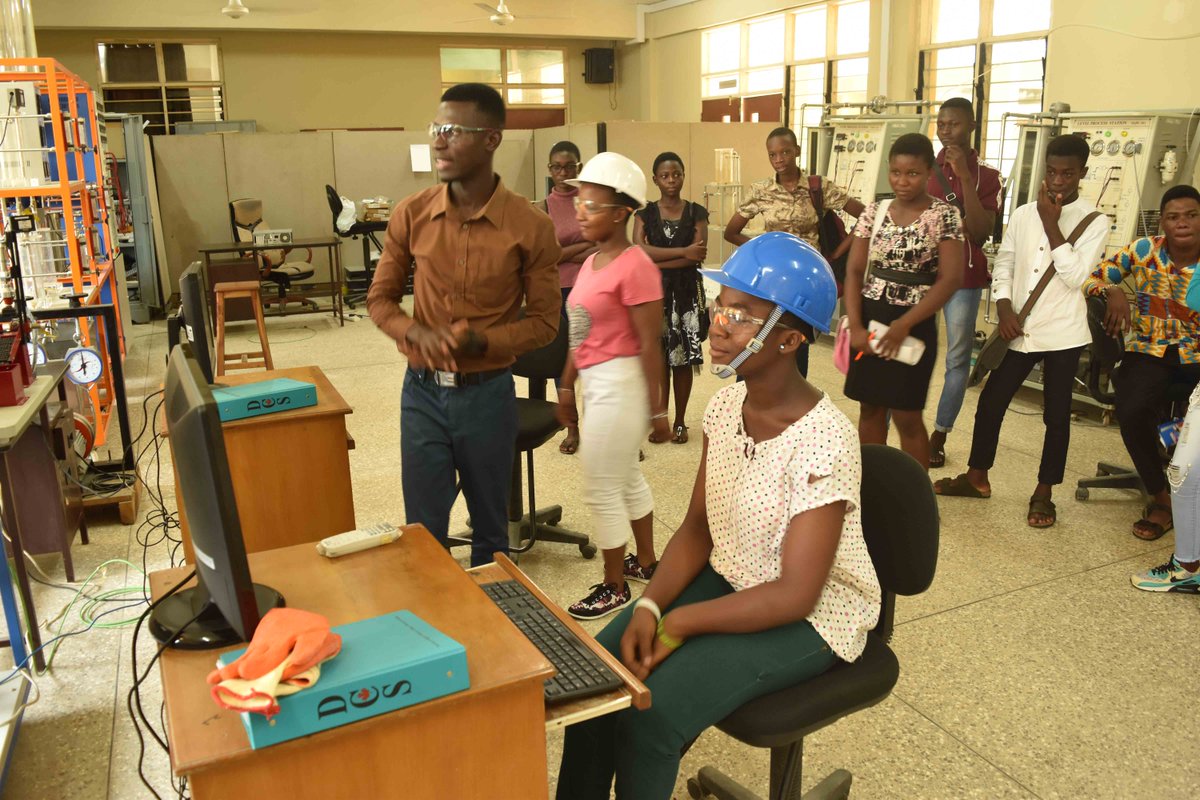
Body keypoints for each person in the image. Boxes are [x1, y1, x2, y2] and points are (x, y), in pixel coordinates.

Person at [554, 232, 881, 800]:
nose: (718, 325)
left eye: (741, 314)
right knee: (594, 682)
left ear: (789, 340)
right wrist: (650, 604)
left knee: (650, 717)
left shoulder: (825, 441)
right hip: (732, 573)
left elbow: (796, 594)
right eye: (720, 306)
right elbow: (697, 529)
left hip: (811, 613)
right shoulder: (727, 405)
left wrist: (679, 622)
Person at [366, 83, 561, 567]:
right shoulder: (412, 213)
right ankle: (434, 614)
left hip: (486, 396)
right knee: (423, 533)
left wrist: (482, 341)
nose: (438, 140)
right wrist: (415, 333)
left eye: (453, 130)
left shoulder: (530, 226)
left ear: (492, 139)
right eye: (436, 128)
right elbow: (380, 300)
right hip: (422, 395)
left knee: (490, 534)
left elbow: (545, 324)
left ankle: (491, 612)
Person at [935, 134, 1109, 528]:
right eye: (1052, 172)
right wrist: (1002, 305)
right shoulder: (1024, 213)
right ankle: (977, 477)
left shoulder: (1095, 221)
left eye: (1067, 174)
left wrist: (1051, 224)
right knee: (991, 402)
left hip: (1064, 333)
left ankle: (1044, 492)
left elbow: (1075, 276)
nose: (1058, 180)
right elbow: (1006, 262)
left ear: (1082, 173)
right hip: (1019, 328)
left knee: (1057, 416)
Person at [556, 152, 668, 619]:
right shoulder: (592, 262)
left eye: (590, 205)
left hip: (622, 385)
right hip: (596, 382)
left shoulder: (636, 265)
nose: (579, 213)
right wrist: (566, 386)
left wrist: (658, 411)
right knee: (624, 477)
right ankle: (646, 562)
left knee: (601, 487)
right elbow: (580, 330)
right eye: (577, 203)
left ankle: (613, 585)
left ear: (621, 212)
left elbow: (649, 345)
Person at [1085, 185, 1200, 541]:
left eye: (1191, 215)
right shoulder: (1144, 250)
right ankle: (1161, 498)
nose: (1182, 223)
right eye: (1173, 217)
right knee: (1132, 410)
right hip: (1150, 350)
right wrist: (1113, 290)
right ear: (1162, 222)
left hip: (1196, 354)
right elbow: (1092, 278)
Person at [842, 133, 964, 468]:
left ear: (928, 172)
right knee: (870, 408)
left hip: (915, 322)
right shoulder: (874, 211)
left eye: (912, 173)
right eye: (896, 172)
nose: (902, 181)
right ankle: (872, 485)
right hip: (871, 317)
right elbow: (854, 271)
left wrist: (904, 324)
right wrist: (856, 326)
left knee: (906, 414)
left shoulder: (944, 215)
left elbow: (951, 278)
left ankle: (914, 492)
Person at [724, 126, 865, 376]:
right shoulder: (761, 191)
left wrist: (836, 254)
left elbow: (866, 215)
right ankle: (750, 391)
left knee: (797, 343)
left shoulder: (817, 187)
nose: (779, 159)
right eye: (772, 155)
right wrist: (762, 252)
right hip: (770, 281)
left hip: (806, 283)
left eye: (785, 152)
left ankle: (795, 393)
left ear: (797, 151)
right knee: (759, 337)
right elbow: (731, 232)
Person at [925, 98, 1003, 468]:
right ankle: (901, 427)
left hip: (964, 277)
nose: (946, 130)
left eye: (953, 124)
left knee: (957, 358)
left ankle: (939, 434)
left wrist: (966, 179)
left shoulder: (988, 176)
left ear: (971, 125)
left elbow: (981, 231)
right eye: (941, 124)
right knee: (909, 352)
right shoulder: (925, 168)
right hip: (922, 275)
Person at [633, 151, 709, 445]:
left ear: (683, 176)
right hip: (653, 294)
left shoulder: (696, 212)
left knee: (683, 359)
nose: (671, 180)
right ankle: (660, 419)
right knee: (659, 358)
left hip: (687, 295)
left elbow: (697, 256)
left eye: (676, 174)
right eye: (664, 175)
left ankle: (680, 422)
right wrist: (682, 252)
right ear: (655, 179)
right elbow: (638, 252)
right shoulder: (645, 213)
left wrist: (660, 257)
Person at [537, 140, 596, 455]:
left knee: (596, 362)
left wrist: (565, 252)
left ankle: (603, 431)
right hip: (558, 291)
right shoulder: (542, 209)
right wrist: (581, 249)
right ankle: (572, 429)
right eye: (557, 167)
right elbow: (547, 256)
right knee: (563, 363)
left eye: (569, 167)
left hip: (592, 287)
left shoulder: (590, 202)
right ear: (549, 169)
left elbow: (601, 244)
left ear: (579, 168)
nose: (563, 173)